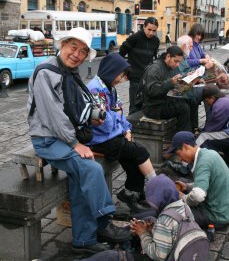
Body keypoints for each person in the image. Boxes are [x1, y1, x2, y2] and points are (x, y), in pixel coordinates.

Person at [27, 27, 131, 254]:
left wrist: (92, 117)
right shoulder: (45, 72)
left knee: (80, 180)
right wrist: (75, 144)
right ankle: (104, 222)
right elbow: (52, 116)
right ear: (62, 45)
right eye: (73, 48)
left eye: (83, 51)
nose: (77, 54)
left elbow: (79, 105)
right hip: (48, 139)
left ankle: (82, 241)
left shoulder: (70, 73)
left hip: (64, 136)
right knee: (91, 169)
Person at [86, 53, 156, 213]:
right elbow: (105, 125)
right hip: (98, 139)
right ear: (111, 70)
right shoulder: (96, 90)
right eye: (121, 75)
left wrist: (127, 130)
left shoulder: (109, 88)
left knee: (133, 158)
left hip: (112, 136)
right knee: (140, 152)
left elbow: (120, 113)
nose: (121, 79)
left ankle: (132, 194)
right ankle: (155, 187)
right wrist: (116, 116)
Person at [81, 174, 200, 261]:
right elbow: (174, 233)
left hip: (166, 257)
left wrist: (143, 234)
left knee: (110, 256)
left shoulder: (166, 220)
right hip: (179, 251)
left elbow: (159, 256)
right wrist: (152, 229)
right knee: (148, 219)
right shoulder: (185, 207)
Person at [168, 131, 229, 230]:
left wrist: (184, 198)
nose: (180, 158)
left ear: (186, 147)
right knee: (183, 181)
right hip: (226, 212)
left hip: (217, 217)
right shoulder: (208, 153)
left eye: (179, 154)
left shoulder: (203, 162)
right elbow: (210, 183)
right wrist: (187, 187)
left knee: (174, 212)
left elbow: (198, 196)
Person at [141, 46, 193, 132]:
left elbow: (173, 83)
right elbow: (152, 91)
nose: (177, 65)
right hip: (154, 107)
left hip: (164, 101)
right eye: (176, 61)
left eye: (179, 62)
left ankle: (191, 131)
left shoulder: (169, 66)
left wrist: (186, 78)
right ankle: (183, 140)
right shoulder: (155, 69)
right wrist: (170, 83)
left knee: (191, 101)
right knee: (183, 108)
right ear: (168, 56)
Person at [119, 17, 160, 114]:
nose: (151, 33)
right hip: (135, 77)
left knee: (145, 104)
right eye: (149, 29)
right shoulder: (135, 38)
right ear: (144, 27)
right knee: (134, 105)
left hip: (148, 78)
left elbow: (153, 58)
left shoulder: (156, 41)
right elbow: (121, 53)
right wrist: (126, 70)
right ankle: (131, 127)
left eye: (154, 30)